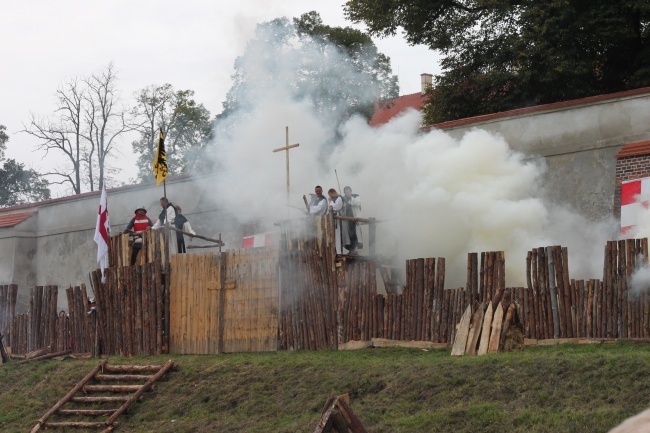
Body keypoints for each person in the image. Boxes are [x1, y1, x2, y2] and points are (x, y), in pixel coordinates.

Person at [342, 186, 361, 254]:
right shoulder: (343, 198)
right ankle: (351, 249)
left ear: (351, 191)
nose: (347, 192)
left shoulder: (356, 196)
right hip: (346, 219)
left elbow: (357, 203)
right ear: (344, 192)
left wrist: (350, 197)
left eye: (349, 191)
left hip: (355, 218)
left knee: (354, 234)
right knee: (348, 235)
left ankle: (355, 249)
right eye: (346, 191)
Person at [327, 188, 344, 255]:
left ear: (333, 193)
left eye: (331, 195)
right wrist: (330, 202)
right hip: (333, 219)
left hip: (337, 218)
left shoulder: (339, 198)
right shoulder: (334, 199)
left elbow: (336, 207)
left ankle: (339, 253)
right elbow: (329, 208)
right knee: (334, 236)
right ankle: (335, 251)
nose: (330, 197)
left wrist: (330, 202)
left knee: (338, 237)